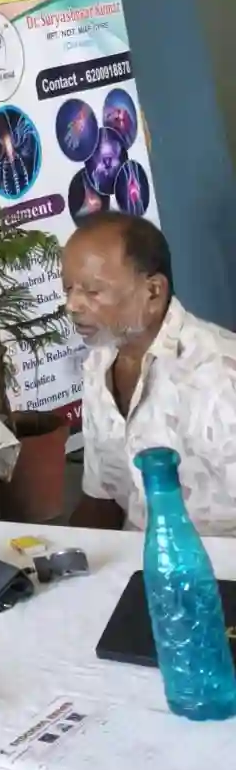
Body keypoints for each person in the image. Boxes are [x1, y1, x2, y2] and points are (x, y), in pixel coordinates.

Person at [65, 212, 236, 534]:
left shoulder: (219, 375)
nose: (72, 305)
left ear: (153, 292)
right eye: (68, 290)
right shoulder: (99, 365)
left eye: (92, 291)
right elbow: (103, 499)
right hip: (139, 556)